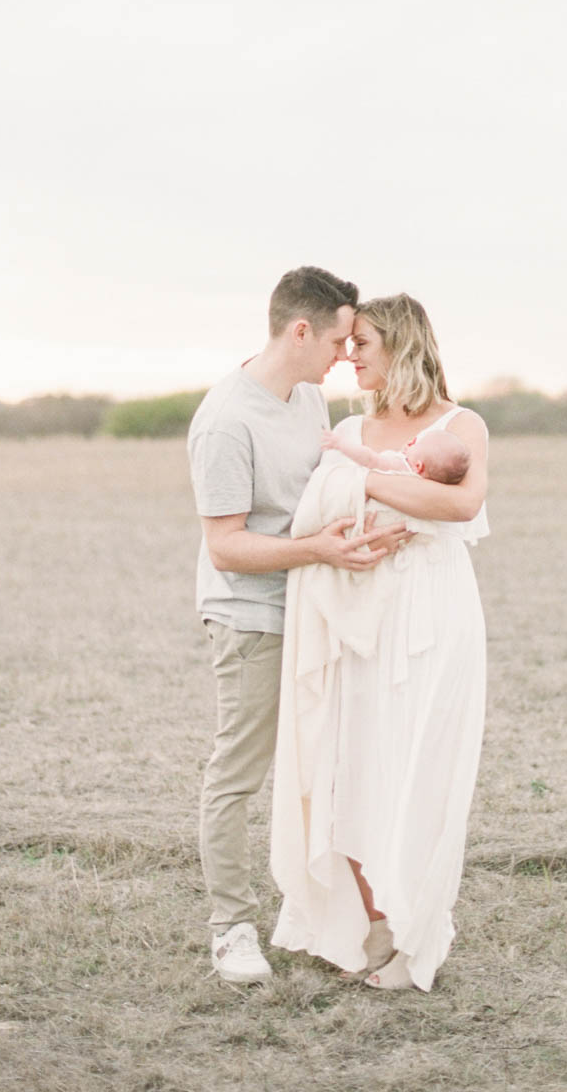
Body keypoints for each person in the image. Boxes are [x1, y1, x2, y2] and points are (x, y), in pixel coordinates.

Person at [187, 267, 409, 985]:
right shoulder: (226, 420)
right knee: (239, 772)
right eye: (340, 341)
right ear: (301, 331)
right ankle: (229, 929)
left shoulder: (308, 395)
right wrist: (320, 550)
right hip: (253, 618)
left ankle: (333, 917)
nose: (346, 355)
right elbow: (227, 547)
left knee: (328, 771)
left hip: (317, 609)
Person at [271, 293, 488, 991]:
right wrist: (386, 484)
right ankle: (374, 928)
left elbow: (460, 504)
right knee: (357, 770)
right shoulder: (350, 426)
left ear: (400, 345)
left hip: (433, 611)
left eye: (361, 343)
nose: (349, 356)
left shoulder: (461, 425)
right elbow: (320, 511)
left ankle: (416, 936)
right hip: (359, 613)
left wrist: (365, 480)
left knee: (420, 769)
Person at [321, 424, 471, 485]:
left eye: (416, 444)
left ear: (418, 466)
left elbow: (370, 459)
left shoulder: (400, 466)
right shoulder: (422, 486)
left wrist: (340, 444)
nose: (410, 443)